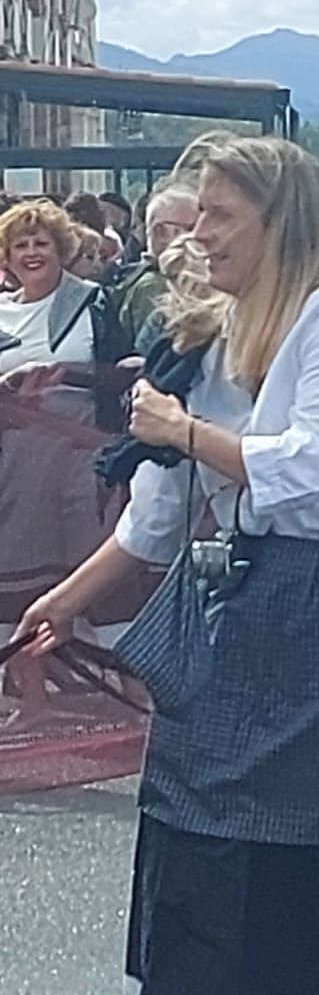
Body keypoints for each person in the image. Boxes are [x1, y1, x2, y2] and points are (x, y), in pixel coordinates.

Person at [13, 136, 319, 995]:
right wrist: (63, 604)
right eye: (195, 212)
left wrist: (180, 430)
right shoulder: (208, 331)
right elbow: (156, 519)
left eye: (218, 215)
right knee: (198, 833)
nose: (197, 234)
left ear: (279, 225)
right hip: (240, 607)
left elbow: (307, 467)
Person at [0, 199, 134, 727]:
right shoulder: (0, 310)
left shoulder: (96, 303)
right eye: (21, 245)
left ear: (61, 249)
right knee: (17, 568)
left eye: (42, 243)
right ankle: (33, 700)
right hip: (14, 461)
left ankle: (130, 694)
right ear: (7, 256)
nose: (32, 252)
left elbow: (127, 371)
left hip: (82, 456)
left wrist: (66, 374)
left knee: (98, 570)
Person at [110, 182, 199, 344]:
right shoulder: (154, 287)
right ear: (160, 232)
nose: (203, 234)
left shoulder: (140, 277)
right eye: (192, 227)